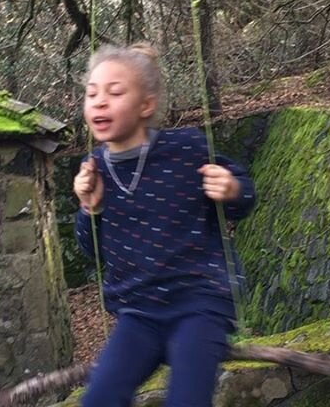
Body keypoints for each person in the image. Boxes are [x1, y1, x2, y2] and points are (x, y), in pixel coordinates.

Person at [73, 42, 256, 407]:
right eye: (92, 94)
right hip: (137, 312)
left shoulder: (186, 148)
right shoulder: (95, 166)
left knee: (187, 400)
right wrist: (88, 208)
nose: (100, 102)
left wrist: (231, 188)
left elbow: (243, 200)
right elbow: (90, 249)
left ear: (146, 105)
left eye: (115, 92)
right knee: (99, 399)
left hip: (200, 302)